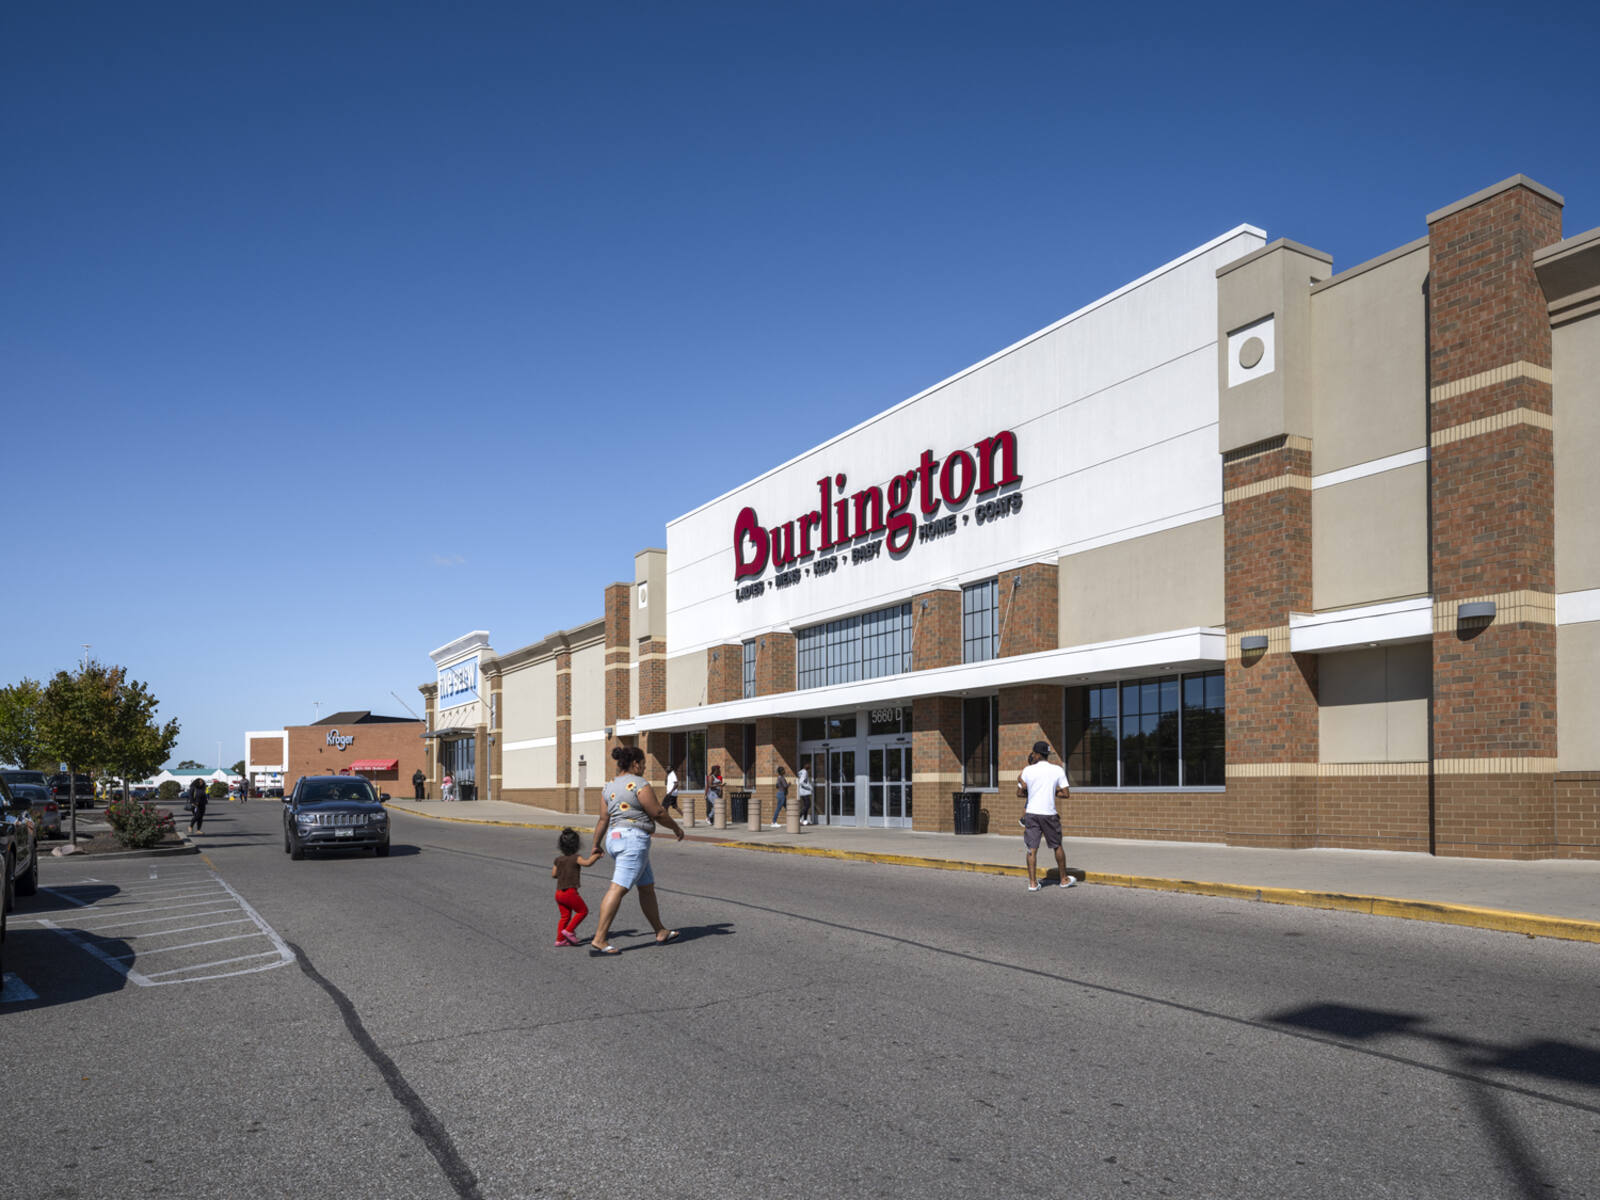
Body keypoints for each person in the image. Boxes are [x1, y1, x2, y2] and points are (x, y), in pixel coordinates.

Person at [588, 745, 684, 954]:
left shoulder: (609, 786)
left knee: (646, 887)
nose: (644, 768)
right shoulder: (639, 784)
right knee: (618, 887)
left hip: (615, 838)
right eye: (643, 765)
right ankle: (599, 939)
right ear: (635, 764)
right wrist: (676, 828)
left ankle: (660, 931)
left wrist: (596, 844)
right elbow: (657, 812)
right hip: (632, 841)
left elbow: (603, 818)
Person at [1016, 740, 1076, 891]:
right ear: (1047, 755)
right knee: (1057, 846)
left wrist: (1028, 789)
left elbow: (1019, 793)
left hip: (1031, 814)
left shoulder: (1027, 771)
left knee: (1031, 848)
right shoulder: (1057, 770)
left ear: (1036, 754)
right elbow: (1066, 794)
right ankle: (1063, 879)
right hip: (1049, 814)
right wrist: (1052, 791)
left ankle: (1032, 883)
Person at [551, 827, 604, 947]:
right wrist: (597, 855)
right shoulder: (576, 858)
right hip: (570, 892)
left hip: (559, 893)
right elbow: (588, 863)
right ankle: (569, 931)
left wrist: (563, 872)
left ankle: (559, 940)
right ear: (577, 845)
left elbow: (554, 874)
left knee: (565, 916)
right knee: (583, 911)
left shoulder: (558, 860)